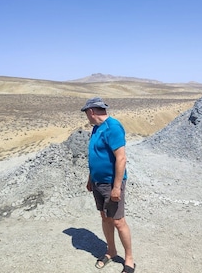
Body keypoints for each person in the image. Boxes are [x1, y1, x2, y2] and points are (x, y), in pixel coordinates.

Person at [81, 97, 135, 273]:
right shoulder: (96, 128)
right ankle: (111, 251)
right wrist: (91, 178)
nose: (87, 117)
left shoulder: (113, 127)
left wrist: (117, 187)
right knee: (105, 217)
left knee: (118, 221)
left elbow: (121, 158)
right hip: (98, 182)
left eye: (86, 114)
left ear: (91, 112)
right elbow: (95, 155)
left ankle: (129, 259)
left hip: (112, 183)